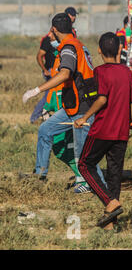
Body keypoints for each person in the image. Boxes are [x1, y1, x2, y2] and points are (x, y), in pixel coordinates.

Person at [22, 13, 106, 193]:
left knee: (84, 153)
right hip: (72, 106)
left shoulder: (69, 48)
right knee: (45, 130)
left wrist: (37, 90)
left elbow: (65, 74)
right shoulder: (79, 45)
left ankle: (98, 187)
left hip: (83, 107)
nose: (50, 36)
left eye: (51, 32)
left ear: (54, 29)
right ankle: (40, 175)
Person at [74, 32, 132, 230]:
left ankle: (110, 202)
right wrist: (127, 122)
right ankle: (111, 222)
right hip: (121, 131)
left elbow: (101, 99)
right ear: (119, 49)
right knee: (114, 174)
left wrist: (84, 118)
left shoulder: (100, 71)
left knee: (84, 164)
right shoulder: (126, 71)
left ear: (99, 50)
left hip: (102, 129)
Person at [30, 29, 58, 123]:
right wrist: (45, 70)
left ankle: (47, 115)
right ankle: (34, 118)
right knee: (48, 95)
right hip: (50, 72)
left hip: (58, 72)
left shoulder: (61, 41)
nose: (49, 35)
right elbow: (39, 56)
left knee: (56, 95)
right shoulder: (47, 41)